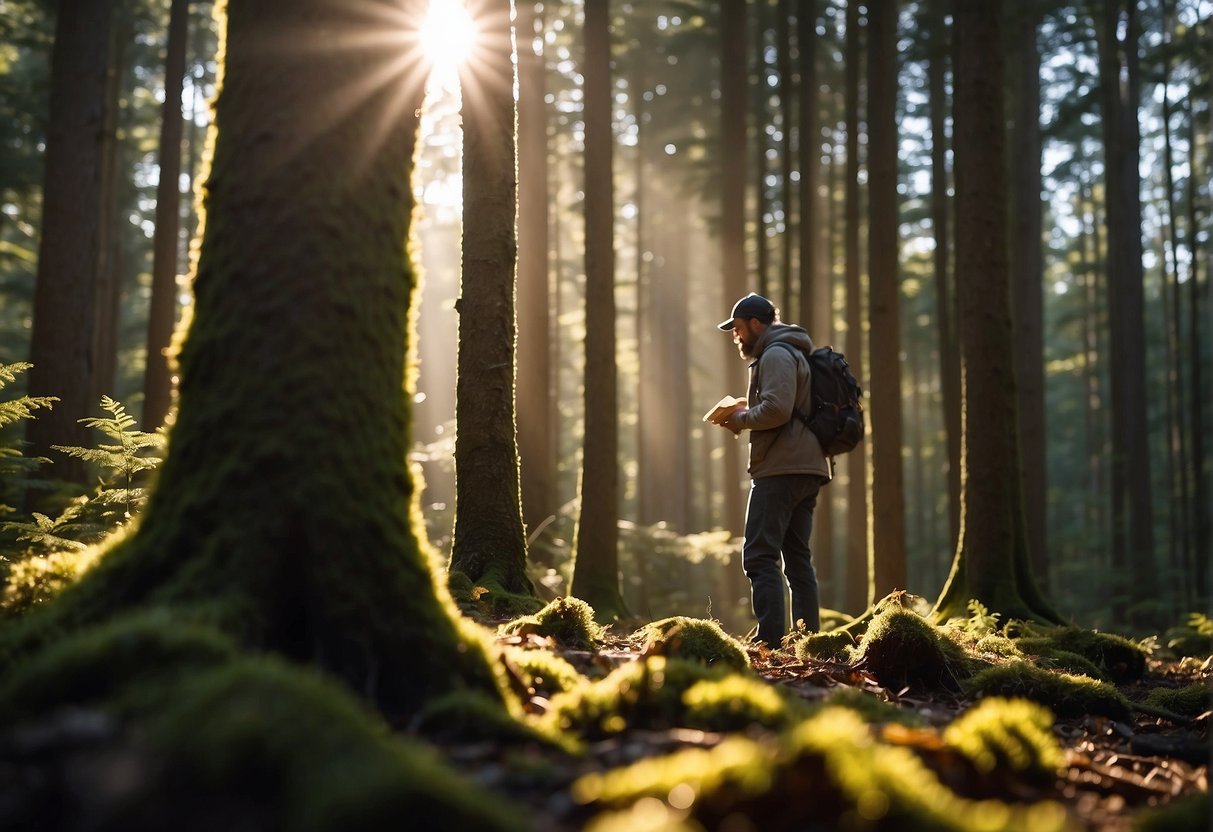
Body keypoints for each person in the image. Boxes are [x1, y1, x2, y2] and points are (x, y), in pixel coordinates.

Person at [712, 292, 831, 647]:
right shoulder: (792, 351)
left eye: (737, 328)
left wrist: (739, 418)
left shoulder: (776, 353)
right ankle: (807, 640)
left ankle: (770, 641)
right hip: (806, 465)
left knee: (760, 555)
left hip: (782, 467)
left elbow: (778, 411)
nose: (735, 336)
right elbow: (786, 404)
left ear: (755, 324)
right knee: (797, 558)